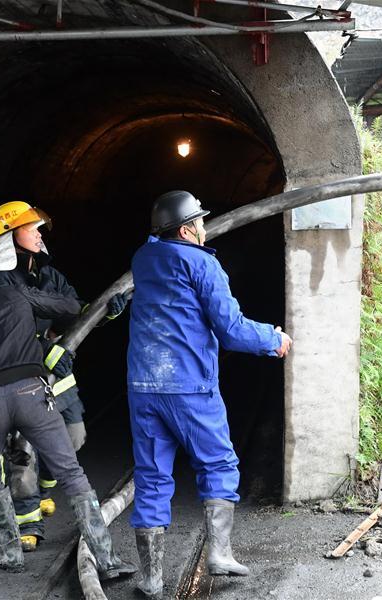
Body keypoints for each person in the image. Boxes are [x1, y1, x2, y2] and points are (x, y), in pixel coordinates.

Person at [126, 190, 293, 598]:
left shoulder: (142, 259)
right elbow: (231, 330)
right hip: (188, 386)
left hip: (144, 385)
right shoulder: (203, 264)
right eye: (199, 221)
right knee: (218, 462)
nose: (205, 227)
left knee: (151, 476)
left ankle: (150, 578)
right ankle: (219, 554)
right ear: (186, 230)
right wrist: (273, 338)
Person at [0, 266, 136, 578]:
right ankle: (108, 560)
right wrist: (100, 312)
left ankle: (11, 554)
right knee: (71, 472)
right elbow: (67, 308)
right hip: (32, 393)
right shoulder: (15, 293)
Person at [0, 201, 129, 552]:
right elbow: (2, 335)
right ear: (8, 236)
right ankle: (27, 524)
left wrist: (102, 314)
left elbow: (71, 313)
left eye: (37, 227)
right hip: (18, 378)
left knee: (74, 437)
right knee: (23, 454)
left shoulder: (50, 275)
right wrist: (43, 351)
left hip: (58, 380)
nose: (38, 233)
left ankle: (46, 489)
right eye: (30, 227)